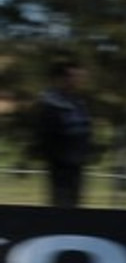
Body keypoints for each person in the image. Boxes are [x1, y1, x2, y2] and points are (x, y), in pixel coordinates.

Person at [35, 60, 94, 207]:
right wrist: (59, 157)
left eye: (80, 76)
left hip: (77, 164)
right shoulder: (51, 104)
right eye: (74, 76)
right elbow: (46, 135)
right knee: (61, 205)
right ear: (62, 79)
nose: (78, 80)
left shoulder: (78, 103)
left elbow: (86, 128)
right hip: (61, 166)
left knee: (75, 205)